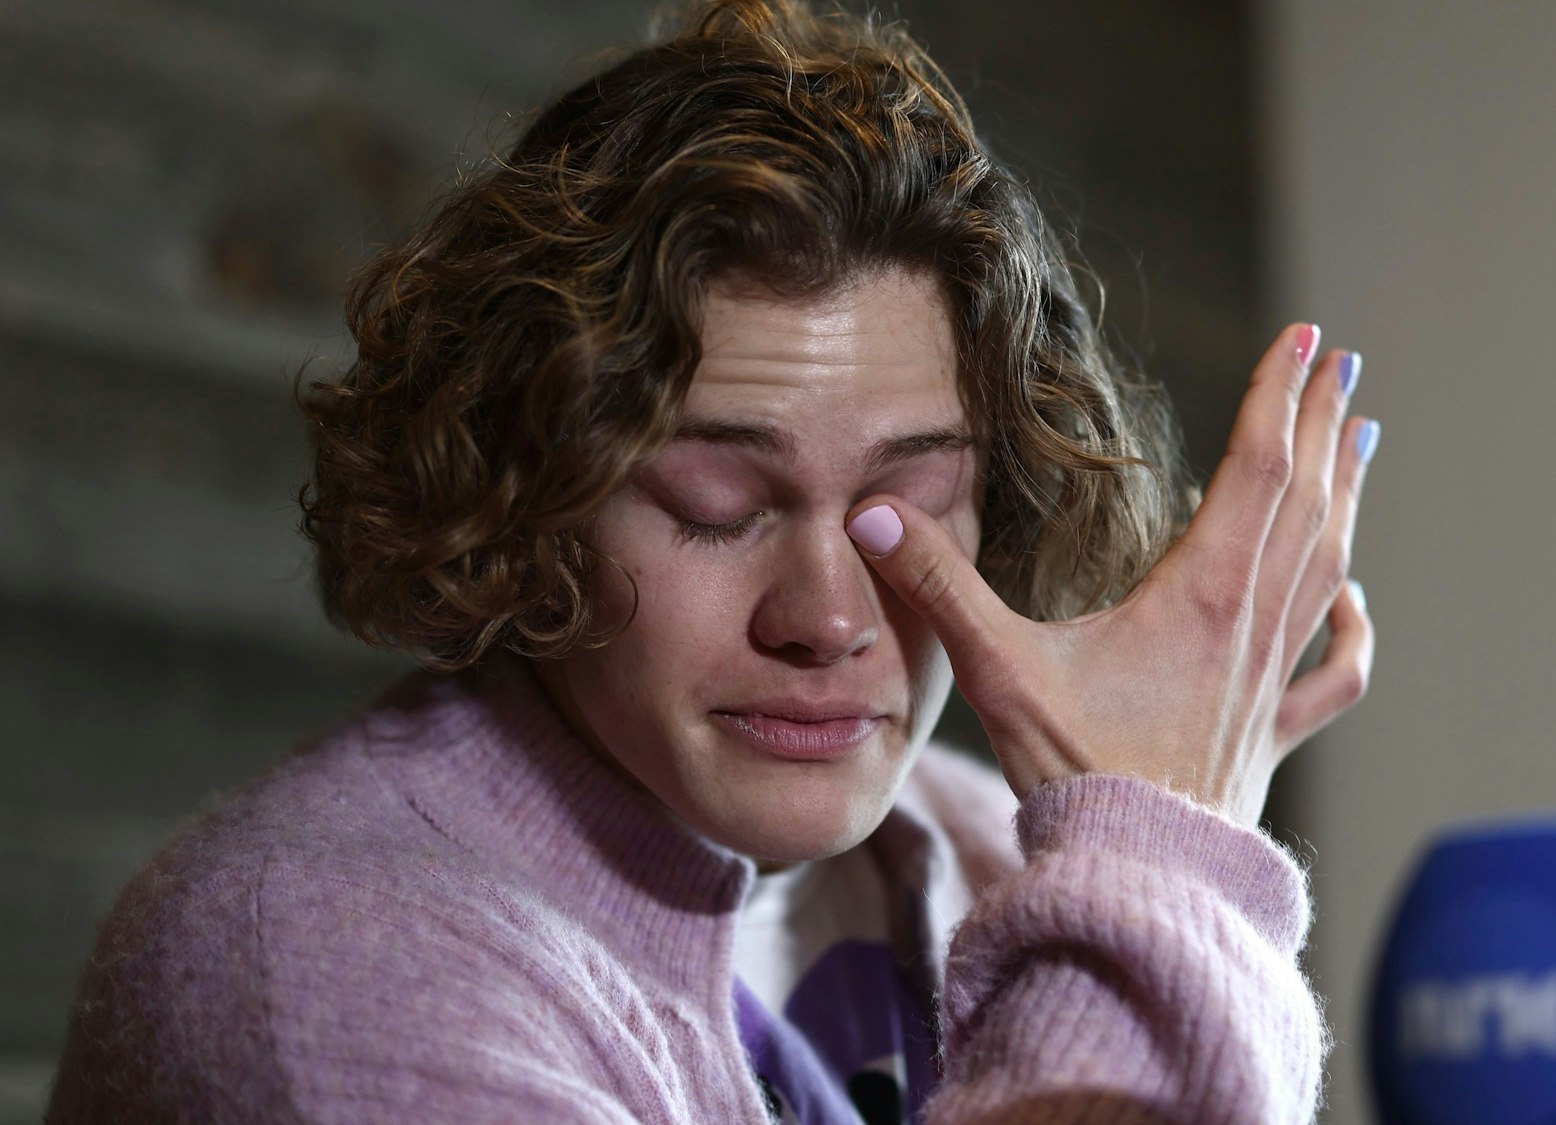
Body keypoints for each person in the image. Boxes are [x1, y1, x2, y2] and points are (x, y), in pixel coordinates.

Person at [46, 0, 1380, 1121]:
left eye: (908, 506)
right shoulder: (325, 976)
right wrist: (1158, 870)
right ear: (533, 492)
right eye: (714, 499)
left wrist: (1150, 878)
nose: (823, 616)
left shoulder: (991, 848)